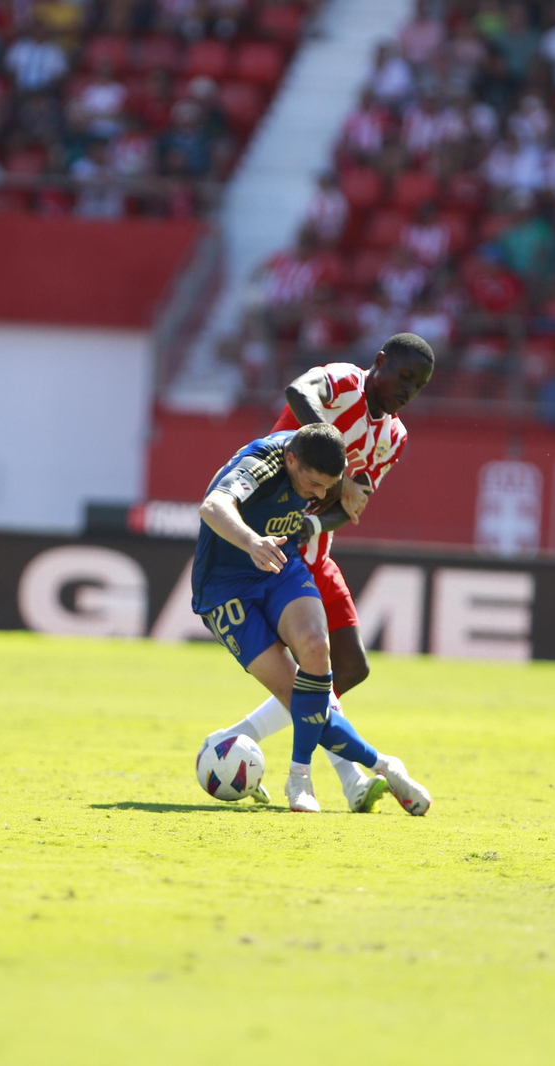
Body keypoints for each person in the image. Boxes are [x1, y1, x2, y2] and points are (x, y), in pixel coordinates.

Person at [205, 334, 436, 812]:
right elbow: (297, 392)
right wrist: (340, 462)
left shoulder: (395, 438)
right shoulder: (342, 383)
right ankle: (351, 780)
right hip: (268, 543)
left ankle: (234, 741)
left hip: (311, 547)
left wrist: (314, 520)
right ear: (379, 363)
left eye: (420, 385)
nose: (409, 390)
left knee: (346, 669)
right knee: (311, 677)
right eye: (405, 376)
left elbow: (349, 506)